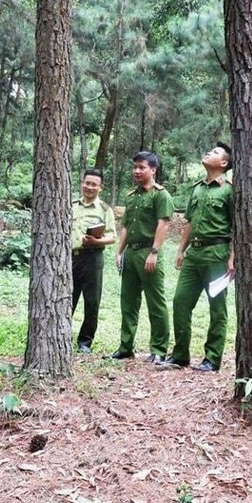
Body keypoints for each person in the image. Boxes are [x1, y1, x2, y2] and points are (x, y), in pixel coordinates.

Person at [160, 142, 234, 373]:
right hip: (194, 255)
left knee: (217, 308)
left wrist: (233, 257)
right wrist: (181, 250)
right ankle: (180, 355)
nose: (208, 153)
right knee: (181, 301)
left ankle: (212, 358)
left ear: (223, 163)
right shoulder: (198, 188)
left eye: (215, 153)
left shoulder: (230, 190)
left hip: (217, 255)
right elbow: (189, 223)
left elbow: (238, 226)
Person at [108, 151, 174, 362]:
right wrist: (119, 252)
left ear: (153, 170)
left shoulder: (160, 194)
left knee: (156, 302)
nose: (137, 171)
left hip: (148, 251)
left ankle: (159, 349)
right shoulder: (131, 196)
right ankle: (126, 347)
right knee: (128, 302)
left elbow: (163, 224)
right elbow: (126, 226)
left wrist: (154, 252)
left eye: (142, 167)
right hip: (131, 252)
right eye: (135, 167)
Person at [71, 168, 116, 353]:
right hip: (70, 259)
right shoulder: (71, 205)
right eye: (86, 183)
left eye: (93, 185)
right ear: (82, 183)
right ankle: (62, 337)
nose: (89, 187)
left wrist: (97, 241)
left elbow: (112, 237)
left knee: (92, 302)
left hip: (92, 258)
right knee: (66, 299)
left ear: (100, 188)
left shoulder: (105, 209)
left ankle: (85, 343)